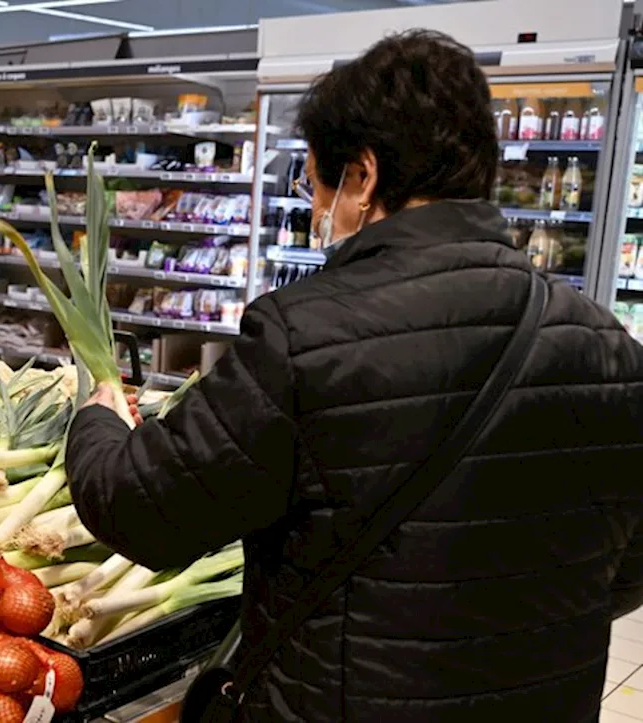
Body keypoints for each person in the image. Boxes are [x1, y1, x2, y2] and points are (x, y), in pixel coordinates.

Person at [67, 30, 643, 722]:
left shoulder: (304, 334)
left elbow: (144, 510)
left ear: (362, 176)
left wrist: (97, 417)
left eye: (315, 184)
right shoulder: (609, 345)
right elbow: (624, 567)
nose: (317, 209)